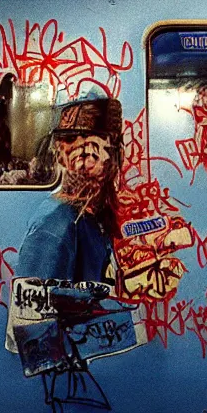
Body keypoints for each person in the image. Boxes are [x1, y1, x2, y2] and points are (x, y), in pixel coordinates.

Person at [16, 97, 123, 284]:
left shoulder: (92, 217)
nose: (83, 156)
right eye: (70, 141)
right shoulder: (55, 226)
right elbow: (32, 310)